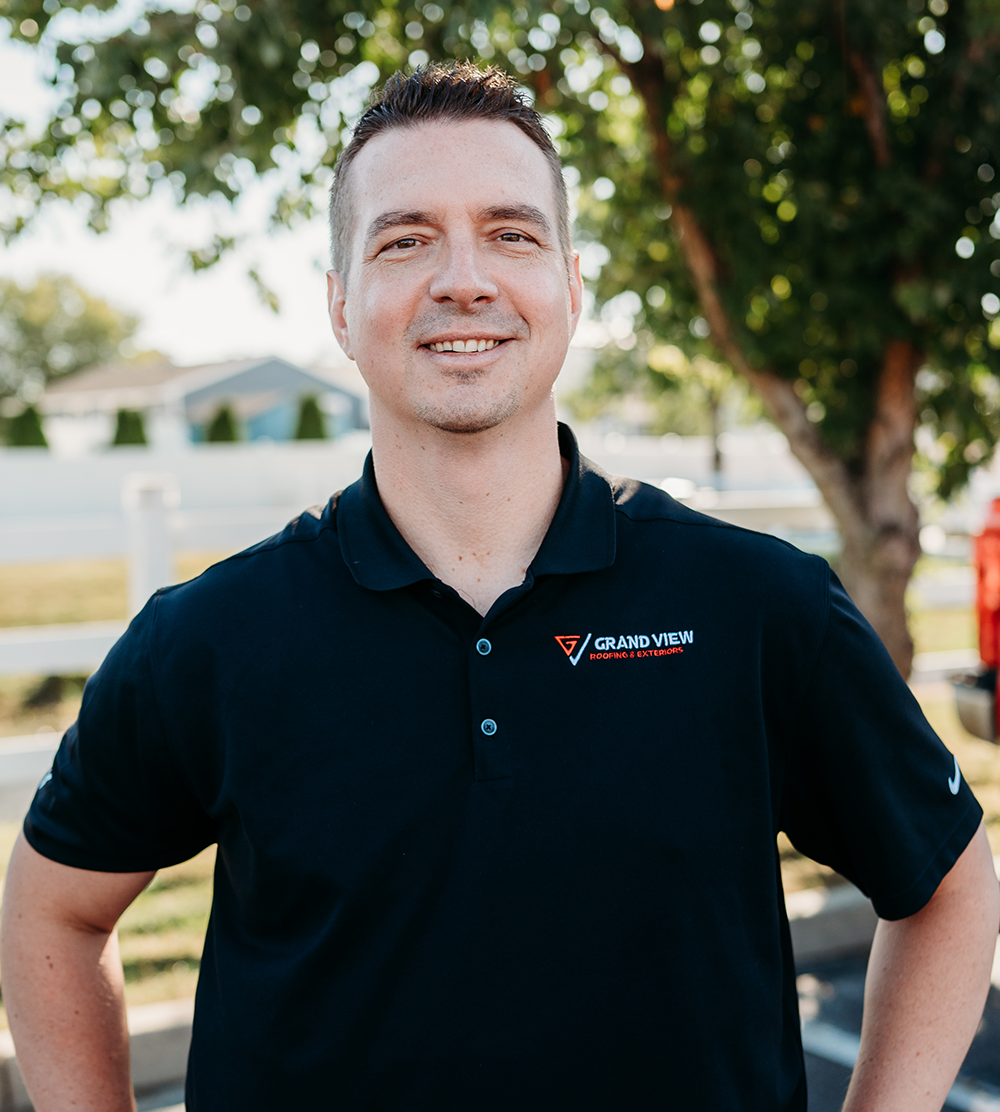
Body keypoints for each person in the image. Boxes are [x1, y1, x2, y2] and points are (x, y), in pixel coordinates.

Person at [2, 63, 997, 1112]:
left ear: (572, 287)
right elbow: (53, 907)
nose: (462, 278)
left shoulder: (758, 605)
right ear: (341, 305)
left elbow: (945, 878)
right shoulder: (209, 637)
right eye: (405, 238)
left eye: (510, 233)